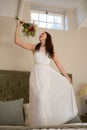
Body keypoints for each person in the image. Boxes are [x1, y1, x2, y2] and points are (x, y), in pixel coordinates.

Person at [15, 21, 78, 128]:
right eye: (41, 33)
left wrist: (66, 76)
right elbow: (17, 41)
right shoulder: (34, 47)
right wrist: (17, 27)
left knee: (41, 99)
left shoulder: (51, 50)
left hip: (46, 76)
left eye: (43, 33)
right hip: (35, 76)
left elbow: (58, 64)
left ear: (47, 37)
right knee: (36, 100)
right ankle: (37, 126)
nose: (41, 34)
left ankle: (45, 125)